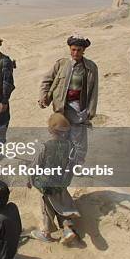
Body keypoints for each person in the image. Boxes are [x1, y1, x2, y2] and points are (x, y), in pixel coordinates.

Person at [38, 35, 98, 165]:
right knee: (59, 135)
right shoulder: (61, 64)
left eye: (79, 50)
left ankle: (77, 164)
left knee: (78, 138)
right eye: (73, 49)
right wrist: (43, 96)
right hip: (61, 108)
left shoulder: (90, 68)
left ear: (83, 51)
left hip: (78, 108)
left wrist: (91, 110)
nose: (75, 53)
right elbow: (47, 80)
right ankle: (57, 162)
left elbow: (94, 91)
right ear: (70, 49)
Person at [28, 113, 80, 245]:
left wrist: (29, 179)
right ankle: (67, 228)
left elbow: (35, 165)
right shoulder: (70, 147)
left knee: (47, 206)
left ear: (50, 130)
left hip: (46, 184)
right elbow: (72, 165)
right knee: (61, 204)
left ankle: (46, 233)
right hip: (61, 182)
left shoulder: (45, 147)